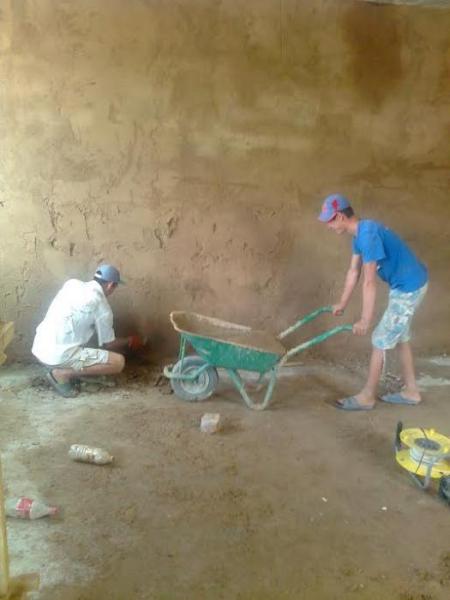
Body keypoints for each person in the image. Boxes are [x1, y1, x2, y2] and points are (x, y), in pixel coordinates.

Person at [318, 194, 428, 411]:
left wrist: (365, 320)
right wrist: (342, 304)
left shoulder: (367, 236)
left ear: (339, 216)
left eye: (329, 221)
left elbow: (369, 282)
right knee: (400, 336)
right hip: (405, 285)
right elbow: (353, 272)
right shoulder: (359, 235)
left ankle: (367, 396)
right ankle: (412, 391)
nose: (328, 226)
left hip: (409, 288)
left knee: (379, 338)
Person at [32, 264, 145, 398]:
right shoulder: (102, 307)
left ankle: (62, 366)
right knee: (118, 362)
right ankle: (62, 374)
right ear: (110, 285)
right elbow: (109, 344)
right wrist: (129, 341)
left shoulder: (71, 284)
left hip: (40, 349)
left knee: (85, 340)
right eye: (115, 287)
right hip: (58, 356)